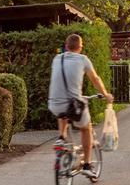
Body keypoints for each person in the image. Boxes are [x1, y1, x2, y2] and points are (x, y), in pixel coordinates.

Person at [48, 33, 112, 175]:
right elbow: (95, 79)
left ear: (66, 46)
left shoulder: (57, 59)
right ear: (80, 47)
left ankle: (61, 138)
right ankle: (87, 165)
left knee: (63, 111)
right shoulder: (83, 59)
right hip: (72, 104)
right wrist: (106, 94)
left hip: (53, 103)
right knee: (86, 129)